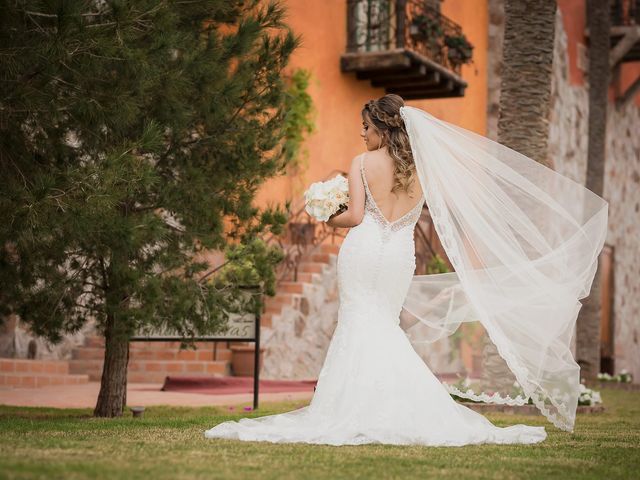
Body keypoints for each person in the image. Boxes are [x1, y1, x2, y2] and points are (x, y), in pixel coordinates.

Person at [205, 93, 608, 445]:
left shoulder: (362, 162)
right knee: (383, 325)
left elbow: (357, 216)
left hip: (363, 252)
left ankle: (351, 406)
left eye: (365, 126)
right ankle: (402, 405)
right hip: (399, 256)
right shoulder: (421, 170)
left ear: (381, 127)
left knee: (359, 323)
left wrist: (328, 215)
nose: (362, 134)